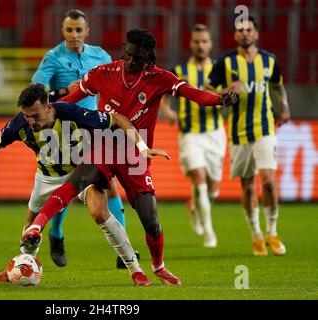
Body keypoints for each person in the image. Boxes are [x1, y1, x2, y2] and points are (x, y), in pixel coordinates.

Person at [20, 29, 237, 285]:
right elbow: (72, 98)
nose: (133, 61)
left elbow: (193, 94)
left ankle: (158, 267)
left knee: (151, 219)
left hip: (135, 154)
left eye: (139, 58)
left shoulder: (159, 78)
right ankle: (38, 227)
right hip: (102, 144)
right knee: (77, 180)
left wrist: (220, 99)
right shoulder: (104, 73)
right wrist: (47, 113)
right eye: (130, 55)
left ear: (149, 57)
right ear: (124, 50)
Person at [0, 83, 170, 286]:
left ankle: (135, 269)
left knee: (100, 213)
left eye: (35, 115)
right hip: (46, 177)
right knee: (30, 229)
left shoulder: (72, 113)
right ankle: (19, 266)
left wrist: (142, 147)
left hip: (81, 173)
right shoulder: (19, 125)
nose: (30, 121)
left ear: (48, 107)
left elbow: (117, 119)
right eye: (26, 115)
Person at [31, 9, 128, 268]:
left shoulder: (101, 56)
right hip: (62, 132)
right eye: (69, 30)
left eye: (78, 30)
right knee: (65, 187)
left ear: (87, 32)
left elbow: (116, 86)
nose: (74, 35)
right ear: (63, 32)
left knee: (111, 184)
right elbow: (35, 96)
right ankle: (56, 233)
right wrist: (63, 90)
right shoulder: (52, 58)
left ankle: (123, 250)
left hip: (94, 128)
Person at [206, 16, 290, 256]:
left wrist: (284, 106)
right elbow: (209, 90)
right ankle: (256, 235)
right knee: (248, 186)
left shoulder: (269, 60)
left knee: (269, 183)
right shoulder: (226, 62)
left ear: (256, 33)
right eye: (240, 30)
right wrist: (225, 92)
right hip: (239, 132)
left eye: (249, 29)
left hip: (266, 129)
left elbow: (277, 85)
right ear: (235, 35)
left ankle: (272, 232)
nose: (244, 33)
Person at [160, 24, 225, 248]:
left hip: (215, 133)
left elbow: (232, 93)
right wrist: (167, 110)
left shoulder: (220, 69)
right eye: (197, 41)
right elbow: (163, 93)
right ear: (191, 43)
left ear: (210, 44)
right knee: (198, 176)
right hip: (189, 134)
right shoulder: (179, 69)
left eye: (204, 41)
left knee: (213, 188)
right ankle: (209, 232)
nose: (200, 45)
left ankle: (196, 207)